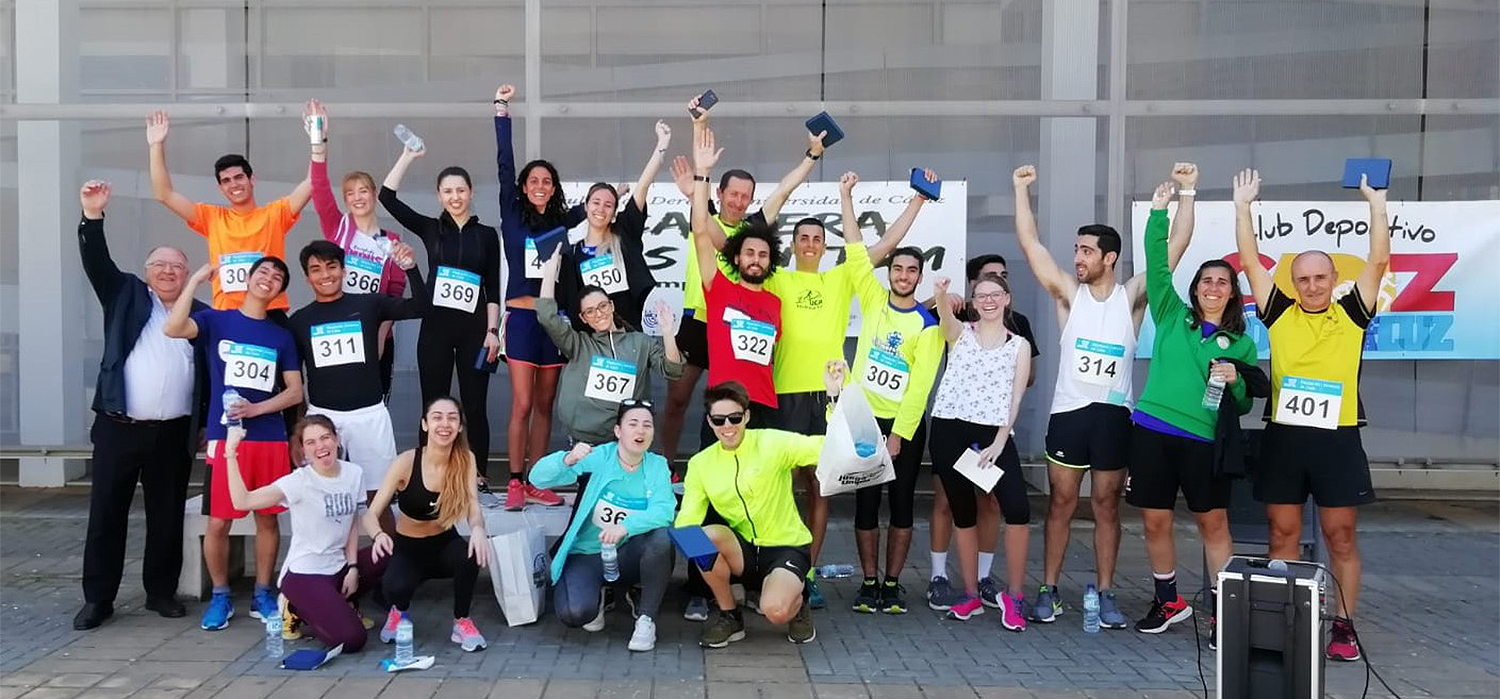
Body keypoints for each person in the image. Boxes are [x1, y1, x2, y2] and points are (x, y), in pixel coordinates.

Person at [1011, 162, 1196, 626]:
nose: (1078, 257)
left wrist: (1187, 194)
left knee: (1108, 506)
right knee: (1061, 503)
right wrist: (1020, 191)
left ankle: (1108, 591)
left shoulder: (1132, 295)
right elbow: (1031, 245)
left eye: (1087, 251)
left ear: (1109, 258)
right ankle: (1049, 589)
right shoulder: (1068, 295)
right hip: (1069, 414)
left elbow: (1175, 249)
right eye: (1076, 249)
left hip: (1114, 418)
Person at [1234, 168, 1390, 662]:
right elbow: (1252, 264)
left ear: (1334, 280)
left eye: (1320, 277)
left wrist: (1376, 203)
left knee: (1339, 534)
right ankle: (1286, 621)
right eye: (1303, 278)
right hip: (1285, 437)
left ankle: (1344, 625)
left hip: (1336, 438)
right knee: (1282, 533)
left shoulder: (1352, 313)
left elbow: (1380, 259)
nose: (1312, 285)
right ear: (1293, 282)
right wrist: (1243, 208)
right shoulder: (1278, 311)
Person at [661, 92, 828, 470]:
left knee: (742, 402)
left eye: (745, 196)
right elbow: (702, 217)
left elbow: (785, 189)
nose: (738, 201)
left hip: (740, 324)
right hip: (701, 317)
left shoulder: (754, 230)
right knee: (678, 399)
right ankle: (666, 465)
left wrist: (812, 155)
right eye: (732, 194)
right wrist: (699, 125)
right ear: (719, 193)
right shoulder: (703, 215)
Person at [1127, 181, 1257, 640]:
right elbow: (1157, 263)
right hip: (1151, 430)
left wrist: (1238, 381)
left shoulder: (1241, 343)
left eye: (1222, 281)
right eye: (1206, 280)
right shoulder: (1170, 312)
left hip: (1203, 440)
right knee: (1154, 518)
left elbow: (1241, 404)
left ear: (1231, 293)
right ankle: (1169, 601)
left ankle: (1227, 611)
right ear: (1196, 288)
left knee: (1212, 521)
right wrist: (1162, 209)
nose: (1213, 287)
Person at [74, 181, 205, 630]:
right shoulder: (125, 294)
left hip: (172, 433)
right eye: (160, 265)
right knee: (106, 514)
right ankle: (98, 599)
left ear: (186, 274)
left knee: (166, 515)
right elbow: (97, 263)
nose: (168, 272)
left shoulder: (198, 313)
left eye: (177, 266)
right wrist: (93, 216)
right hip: (119, 427)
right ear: (148, 271)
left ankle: (160, 593)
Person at [163, 258, 303, 631]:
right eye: (263, 273)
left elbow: (294, 392)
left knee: (268, 519)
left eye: (277, 277)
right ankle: (221, 596)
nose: (268, 280)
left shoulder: (281, 336)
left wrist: (258, 407)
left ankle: (262, 592)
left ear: (280, 290)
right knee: (219, 521)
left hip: (269, 438)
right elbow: (173, 327)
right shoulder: (216, 320)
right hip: (227, 439)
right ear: (248, 278)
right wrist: (194, 280)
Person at [837, 173, 943, 615]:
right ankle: (867, 582)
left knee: (900, 506)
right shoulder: (874, 299)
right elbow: (856, 249)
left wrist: (899, 433)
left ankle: (893, 583)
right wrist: (844, 196)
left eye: (911, 270)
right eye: (897, 268)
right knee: (865, 505)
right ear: (890, 273)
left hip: (904, 427)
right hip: (863, 418)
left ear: (920, 277)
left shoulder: (928, 324)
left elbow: (920, 387)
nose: (903, 275)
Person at [675, 375, 842, 647]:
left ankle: (799, 603)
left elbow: (825, 447)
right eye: (719, 420)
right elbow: (688, 519)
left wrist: (834, 401)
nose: (727, 426)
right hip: (745, 552)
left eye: (735, 418)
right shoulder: (700, 463)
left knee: (775, 611)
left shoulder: (772, 442)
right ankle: (730, 614)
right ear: (709, 422)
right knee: (700, 537)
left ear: (747, 416)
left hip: (786, 547)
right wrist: (688, 544)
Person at [926, 253, 1041, 612]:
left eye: (995, 294)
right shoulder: (961, 334)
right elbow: (945, 321)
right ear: (973, 302)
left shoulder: (1018, 344)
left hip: (992, 435)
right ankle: (971, 594)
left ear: (1006, 299)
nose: (988, 301)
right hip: (949, 431)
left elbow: (1016, 398)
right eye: (981, 295)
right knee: (963, 512)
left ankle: (1016, 595)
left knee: (1017, 509)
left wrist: (999, 442)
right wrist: (942, 295)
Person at [380, 139, 501, 478]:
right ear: (439, 196)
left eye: (460, 190)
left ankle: (477, 475)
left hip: (476, 332)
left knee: (475, 407)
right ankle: (428, 473)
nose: (455, 197)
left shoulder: (488, 235)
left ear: (471, 192)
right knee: (433, 403)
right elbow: (387, 198)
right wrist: (406, 156)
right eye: (447, 191)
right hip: (435, 329)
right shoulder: (430, 228)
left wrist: (493, 332)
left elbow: (493, 286)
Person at [287, 239, 426, 531]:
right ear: (306, 277)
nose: (325, 275)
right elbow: (293, 381)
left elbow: (420, 307)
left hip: (370, 416)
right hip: (324, 419)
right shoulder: (299, 321)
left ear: (343, 269)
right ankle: (332, 567)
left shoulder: (368, 303)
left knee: (380, 497)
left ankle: (387, 563)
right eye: (316, 270)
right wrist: (297, 434)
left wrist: (411, 268)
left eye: (332, 267)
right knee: (325, 496)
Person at [494, 83, 588, 509]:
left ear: (553, 188)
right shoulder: (513, 218)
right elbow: (503, 164)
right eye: (533, 180)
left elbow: (598, 207)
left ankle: (536, 479)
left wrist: (620, 193)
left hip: (553, 322)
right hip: (521, 320)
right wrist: (502, 111)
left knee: (546, 404)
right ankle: (514, 480)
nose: (539, 185)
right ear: (524, 186)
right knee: (524, 401)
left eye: (546, 181)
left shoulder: (564, 223)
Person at [223, 417, 384, 652]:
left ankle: (342, 604)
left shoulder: (353, 473)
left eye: (325, 438)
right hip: (305, 574)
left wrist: (352, 567)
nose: (320, 446)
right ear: (304, 450)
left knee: (388, 552)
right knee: (352, 640)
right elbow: (242, 501)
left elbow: (351, 523)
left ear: (336, 439)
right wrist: (230, 453)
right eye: (311, 442)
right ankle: (295, 608)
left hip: (339, 567)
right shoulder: (299, 481)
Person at [530, 402, 676, 651]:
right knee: (574, 614)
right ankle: (598, 593)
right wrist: (568, 458)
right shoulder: (600, 457)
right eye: (633, 424)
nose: (640, 431)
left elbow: (664, 510)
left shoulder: (657, 465)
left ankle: (646, 619)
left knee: (663, 540)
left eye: (647, 425)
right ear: (618, 431)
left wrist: (626, 527)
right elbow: (537, 478)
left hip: (630, 552)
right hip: (589, 554)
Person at [146, 110, 311, 314]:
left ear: (252, 180)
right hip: (228, 314)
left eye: (239, 177)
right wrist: (156, 145)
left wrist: (318, 140)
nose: (234, 184)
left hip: (269, 312)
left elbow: (312, 183)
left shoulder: (275, 214)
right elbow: (164, 194)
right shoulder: (212, 217)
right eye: (226, 181)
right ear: (221, 188)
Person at [364, 396, 491, 652]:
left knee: (470, 556)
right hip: (408, 548)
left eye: (452, 418)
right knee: (395, 588)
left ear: (460, 426)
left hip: (443, 543)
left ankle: (462, 621)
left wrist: (478, 529)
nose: (445, 424)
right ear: (424, 424)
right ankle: (399, 612)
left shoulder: (466, 459)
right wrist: (378, 535)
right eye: (437, 417)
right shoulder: (406, 462)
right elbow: (371, 514)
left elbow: (473, 507)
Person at [304, 100, 408, 399]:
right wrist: (318, 140)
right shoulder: (338, 227)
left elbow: (394, 295)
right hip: (337, 327)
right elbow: (319, 186)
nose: (357, 197)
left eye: (363, 190)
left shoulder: (391, 241)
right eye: (350, 193)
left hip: (375, 332)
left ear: (374, 195)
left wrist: (380, 335)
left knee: (373, 403)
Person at [538, 254, 684, 445]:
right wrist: (549, 273)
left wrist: (667, 332)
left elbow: (673, 370)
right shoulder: (577, 344)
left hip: (627, 442)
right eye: (590, 311)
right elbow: (546, 316)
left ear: (612, 305)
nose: (598, 314)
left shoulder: (640, 342)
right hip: (585, 443)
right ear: (583, 318)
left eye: (602, 306)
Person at [553, 121, 670, 331]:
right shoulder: (573, 254)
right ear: (586, 207)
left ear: (614, 212)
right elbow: (571, 304)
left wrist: (662, 145)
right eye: (596, 203)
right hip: (592, 343)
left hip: (627, 334)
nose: (601, 209)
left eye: (608, 205)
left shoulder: (623, 234)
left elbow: (642, 187)